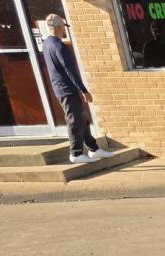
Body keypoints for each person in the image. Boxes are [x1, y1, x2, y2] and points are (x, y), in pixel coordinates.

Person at [41, 15, 112, 165]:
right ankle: (76, 153)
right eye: (63, 28)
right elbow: (70, 70)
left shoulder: (47, 43)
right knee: (74, 120)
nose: (64, 31)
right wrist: (83, 90)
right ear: (59, 28)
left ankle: (93, 148)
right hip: (67, 89)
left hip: (63, 88)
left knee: (82, 118)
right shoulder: (59, 46)